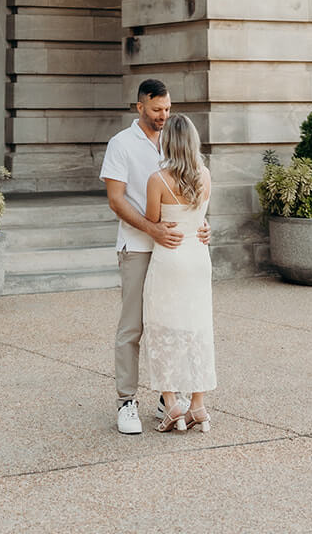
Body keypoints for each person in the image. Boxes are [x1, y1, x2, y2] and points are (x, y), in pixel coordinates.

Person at [100, 79, 209, 435]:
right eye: (157, 109)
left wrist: (201, 225)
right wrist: (153, 229)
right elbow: (116, 200)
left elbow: (191, 194)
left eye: (167, 109)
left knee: (175, 324)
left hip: (174, 251)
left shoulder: (175, 138)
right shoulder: (121, 144)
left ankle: (169, 398)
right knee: (132, 327)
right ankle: (127, 401)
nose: (164, 115)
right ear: (140, 108)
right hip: (137, 248)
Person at [143, 113, 216, 433]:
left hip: (170, 258)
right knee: (197, 328)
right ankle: (197, 405)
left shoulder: (157, 180)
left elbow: (152, 221)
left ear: (168, 143)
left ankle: (172, 403)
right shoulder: (206, 176)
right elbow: (201, 219)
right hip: (198, 257)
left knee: (162, 328)